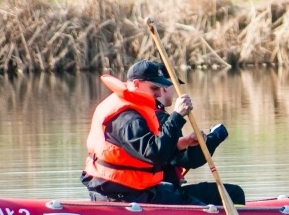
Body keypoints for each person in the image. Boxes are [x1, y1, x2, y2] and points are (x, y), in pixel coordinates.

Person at [81, 59, 203, 204]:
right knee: (190, 204)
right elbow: (155, 154)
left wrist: (184, 142)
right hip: (120, 191)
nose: (159, 93)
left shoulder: (131, 107)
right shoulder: (128, 117)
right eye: (154, 88)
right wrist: (177, 116)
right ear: (137, 84)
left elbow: (149, 148)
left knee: (175, 194)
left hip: (130, 187)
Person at [152, 61, 246, 205]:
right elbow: (189, 160)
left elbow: (170, 155)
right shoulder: (164, 119)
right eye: (173, 85)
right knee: (234, 193)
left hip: (157, 190)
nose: (175, 91)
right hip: (167, 194)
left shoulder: (145, 115)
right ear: (164, 87)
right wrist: (214, 137)